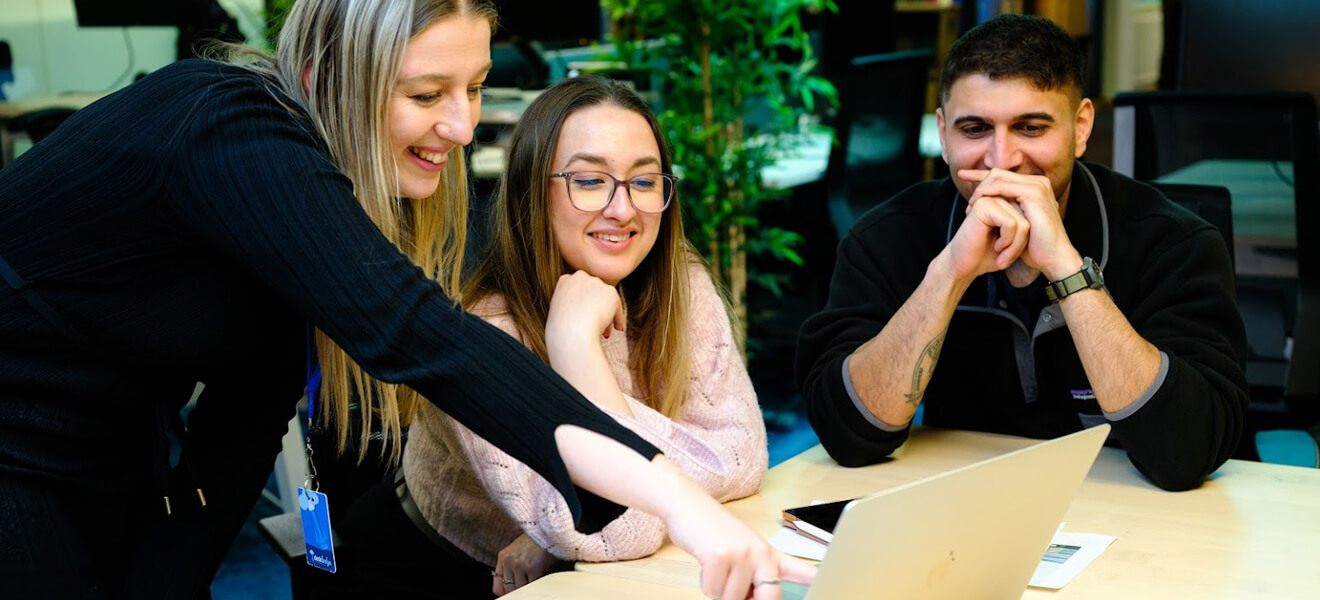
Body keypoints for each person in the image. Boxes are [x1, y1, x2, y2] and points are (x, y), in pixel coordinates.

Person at [0, 1, 810, 598]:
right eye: (427, 95)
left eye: (477, 87)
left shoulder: (304, 213)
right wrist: (675, 498)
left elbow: (237, 437)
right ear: (327, 79)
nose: (462, 127)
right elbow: (420, 334)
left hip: (117, 455)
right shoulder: (227, 126)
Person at [326, 75, 769, 598]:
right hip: (433, 571)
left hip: (580, 575)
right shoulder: (486, 330)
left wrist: (553, 537)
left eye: (644, 182)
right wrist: (576, 346)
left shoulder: (683, 286)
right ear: (533, 192)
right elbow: (618, 530)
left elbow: (742, 459)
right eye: (589, 181)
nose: (623, 210)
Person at [796, 14, 1248, 492]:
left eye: (1031, 127)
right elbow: (848, 436)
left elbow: (1187, 453)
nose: (1001, 159)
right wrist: (949, 273)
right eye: (974, 129)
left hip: (1148, 525)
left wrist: (1066, 269)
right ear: (943, 134)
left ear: (1080, 127)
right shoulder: (884, 238)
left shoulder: (1174, 243)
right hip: (966, 514)